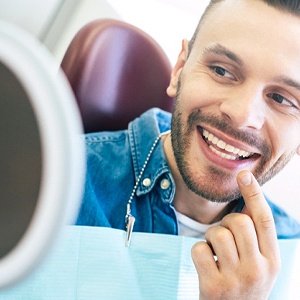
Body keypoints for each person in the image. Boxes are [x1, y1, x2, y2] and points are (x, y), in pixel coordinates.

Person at [76, 0, 300, 298]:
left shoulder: (291, 252)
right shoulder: (55, 178)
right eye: (222, 70)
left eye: (282, 99)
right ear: (179, 69)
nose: (243, 115)